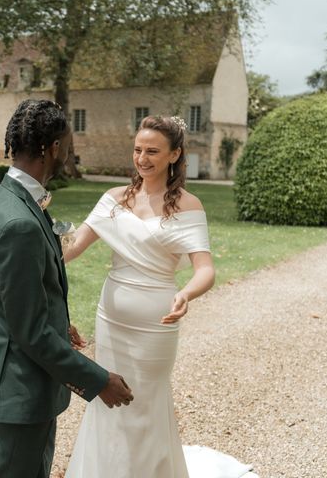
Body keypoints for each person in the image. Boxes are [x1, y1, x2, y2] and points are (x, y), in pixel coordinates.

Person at [64, 115, 234, 478]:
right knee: (107, 400)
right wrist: (39, 235)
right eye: (138, 150)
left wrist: (186, 294)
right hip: (111, 319)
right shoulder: (113, 199)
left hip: (156, 323)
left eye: (153, 151)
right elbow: (73, 247)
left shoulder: (189, 206)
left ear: (174, 155)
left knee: (145, 402)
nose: (142, 158)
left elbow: (205, 269)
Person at [0, 99, 134, 478]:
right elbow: (29, 331)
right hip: (22, 387)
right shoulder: (19, 223)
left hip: (25, 383)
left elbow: (23, 300)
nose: (69, 154)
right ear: (52, 148)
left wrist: (58, 324)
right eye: (67, 145)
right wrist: (98, 381)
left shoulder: (9, 198)